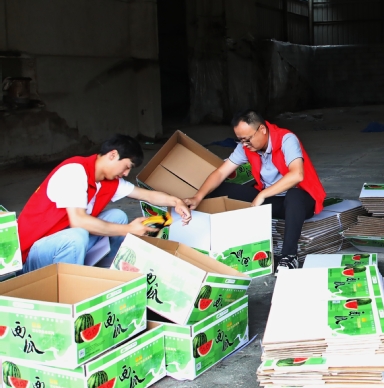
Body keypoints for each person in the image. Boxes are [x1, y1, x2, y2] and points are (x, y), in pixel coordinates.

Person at [18, 134, 192, 273]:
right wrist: (129, 229)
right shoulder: (75, 171)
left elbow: (147, 195)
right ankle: (70, 288)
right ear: (112, 155)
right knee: (77, 236)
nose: (126, 173)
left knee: (117, 216)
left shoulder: (108, 181)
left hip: (66, 246)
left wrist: (176, 201)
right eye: (127, 166)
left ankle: (109, 274)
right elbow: (78, 221)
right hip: (32, 256)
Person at [184, 110, 326, 272]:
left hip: (300, 202)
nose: (244, 144)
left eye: (247, 139)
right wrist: (197, 197)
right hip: (273, 201)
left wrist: (263, 194)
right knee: (220, 189)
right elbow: (221, 173)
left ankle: (289, 256)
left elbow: (297, 175)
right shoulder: (245, 147)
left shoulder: (286, 139)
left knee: (294, 195)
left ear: (262, 130)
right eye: (240, 140)